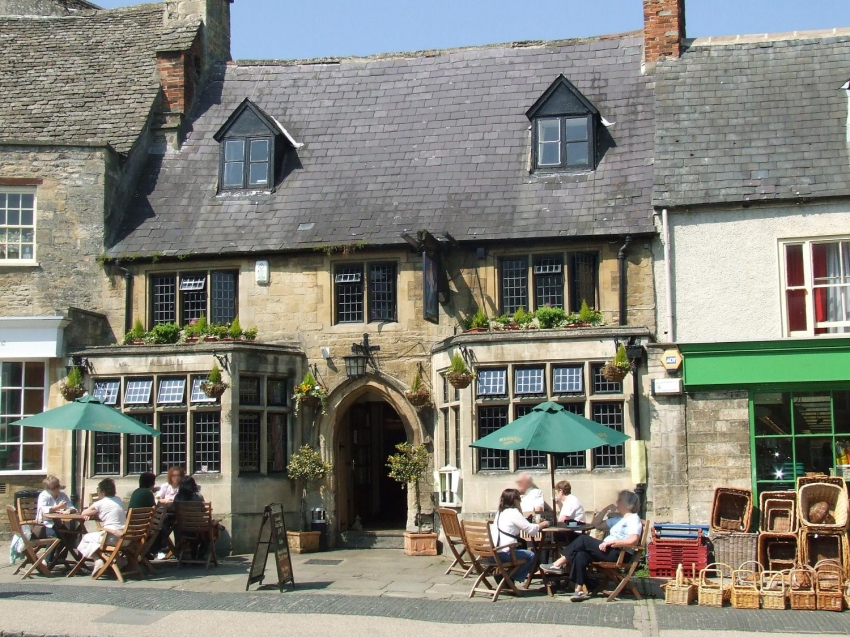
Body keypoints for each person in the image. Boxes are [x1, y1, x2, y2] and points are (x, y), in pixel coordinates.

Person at [541, 490, 643, 602]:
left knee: (583, 540)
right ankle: (578, 591)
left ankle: (558, 564)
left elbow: (633, 540)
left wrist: (612, 542)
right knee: (581, 554)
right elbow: (595, 524)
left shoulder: (633, 519)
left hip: (618, 553)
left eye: (620, 500)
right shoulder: (619, 519)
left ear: (628, 504)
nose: (617, 502)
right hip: (607, 550)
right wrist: (606, 509)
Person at [490, 488, 549, 585]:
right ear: (514, 500)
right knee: (531, 555)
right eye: (519, 499)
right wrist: (543, 524)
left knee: (521, 545)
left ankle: (507, 577)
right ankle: (509, 577)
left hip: (492, 554)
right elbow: (530, 530)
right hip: (503, 554)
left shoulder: (500, 513)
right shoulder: (513, 512)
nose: (520, 501)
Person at [76, 478, 127, 563]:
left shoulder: (100, 503)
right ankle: (118, 560)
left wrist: (93, 513)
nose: (97, 492)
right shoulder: (118, 500)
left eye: (98, 489)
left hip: (111, 537)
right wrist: (95, 513)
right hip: (126, 538)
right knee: (95, 541)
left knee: (86, 538)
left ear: (103, 492)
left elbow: (84, 513)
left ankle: (98, 560)